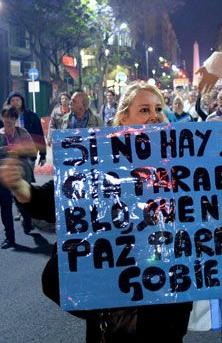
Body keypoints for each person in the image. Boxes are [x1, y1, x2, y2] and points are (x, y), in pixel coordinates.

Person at [0, 83, 193, 341]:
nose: (154, 115)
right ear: (123, 118)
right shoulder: (99, 161)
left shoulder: (182, 164)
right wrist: (24, 191)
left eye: (159, 109)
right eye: (144, 109)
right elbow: (61, 196)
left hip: (165, 309)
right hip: (114, 311)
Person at [0, 105, 36, 247]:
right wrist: (6, 149)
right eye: (6, 116)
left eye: (11, 117)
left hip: (20, 173)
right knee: (5, 206)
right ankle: (10, 238)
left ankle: (27, 221)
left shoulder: (22, 133)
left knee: (22, 202)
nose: (8, 120)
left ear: (15, 119)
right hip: (3, 175)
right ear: (2, 117)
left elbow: (32, 151)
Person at [6, 91, 46, 166]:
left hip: (29, 153)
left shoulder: (32, 116)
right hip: (10, 155)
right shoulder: (5, 117)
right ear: (9, 102)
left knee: (28, 175)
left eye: (17, 100)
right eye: (12, 100)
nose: (15, 102)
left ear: (22, 101)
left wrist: (43, 155)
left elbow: (39, 135)